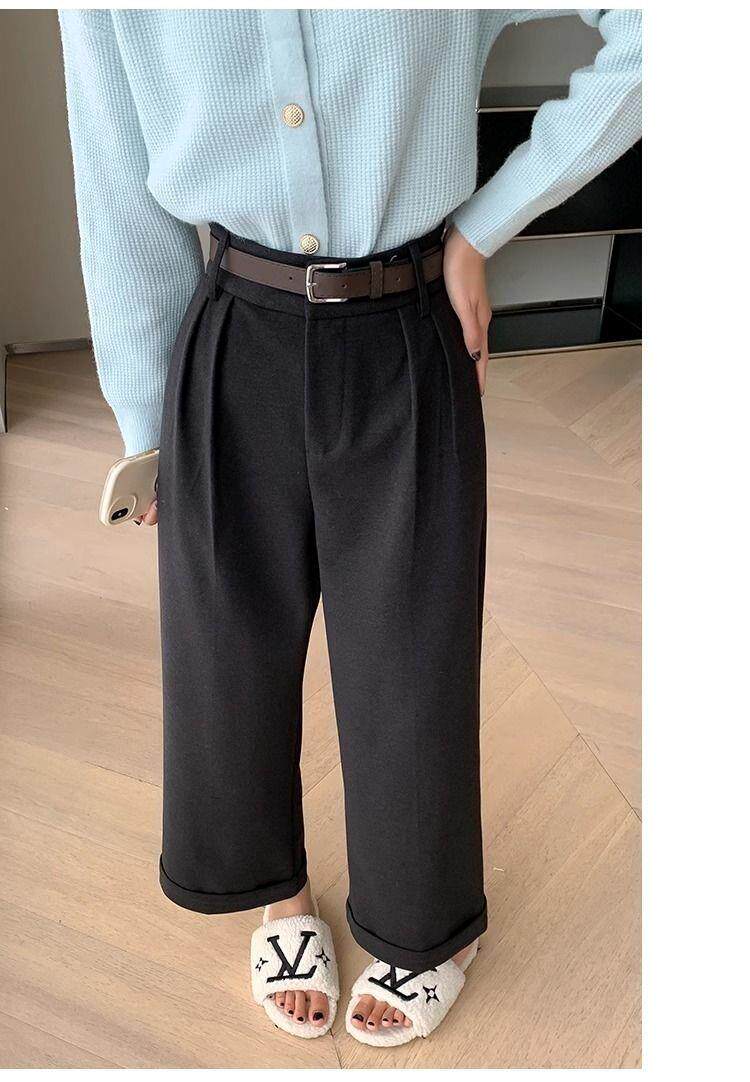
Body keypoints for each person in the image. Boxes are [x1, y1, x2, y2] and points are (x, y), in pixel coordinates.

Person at [59, 7, 641, 1046]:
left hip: (408, 327)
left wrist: (484, 226)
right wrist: (145, 421)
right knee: (227, 648)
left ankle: (424, 924)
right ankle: (278, 894)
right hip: (232, 330)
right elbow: (115, 174)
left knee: (413, 649)